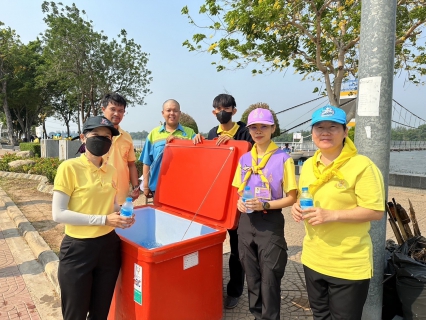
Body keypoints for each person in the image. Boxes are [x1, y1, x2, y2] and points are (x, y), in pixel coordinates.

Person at [290, 105, 385, 320]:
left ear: (345, 132)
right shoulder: (307, 165)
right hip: (313, 258)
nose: (325, 132)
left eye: (333, 127)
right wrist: (296, 206)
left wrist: (331, 215)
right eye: (319, 127)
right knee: (320, 316)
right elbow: (304, 197)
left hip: (348, 263)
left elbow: (375, 210)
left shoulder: (362, 166)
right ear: (312, 134)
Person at [52, 116, 135, 320]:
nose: (102, 140)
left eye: (107, 137)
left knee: (100, 312)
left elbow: (111, 205)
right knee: (75, 314)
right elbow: (58, 213)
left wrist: (122, 213)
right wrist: (105, 220)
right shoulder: (69, 168)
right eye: (96, 135)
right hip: (78, 249)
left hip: (109, 248)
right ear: (83, 137)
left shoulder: (112, 171)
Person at [232, 108, 297, 319]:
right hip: (246, 222)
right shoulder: (244, 160)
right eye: (254, 127)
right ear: (249, 130)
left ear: (273, 129)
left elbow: (291, 197)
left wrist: (266, 205)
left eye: (264, 127)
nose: (258, 131)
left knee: (270, 277)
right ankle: (257, 315)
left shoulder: (283, 159)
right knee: (251, 276)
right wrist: (240, 202)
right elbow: (238, 190)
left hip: (270, 222)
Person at [193, 93, 253, 309]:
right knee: (209, 245)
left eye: (226, 108)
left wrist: (234, 142)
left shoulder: (246, 133)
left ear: (234, 111)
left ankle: (235, 291)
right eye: (218, 109)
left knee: (237, 250)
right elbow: (205, 163)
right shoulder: (211, 133)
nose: (222, 112)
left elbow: (253, 158)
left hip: (238, 200)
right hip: (216, 200)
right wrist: (197, 143)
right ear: (214, 112)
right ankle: (207, 286)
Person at [140, 99, 196, 197]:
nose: (172, 113)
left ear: (179, 113)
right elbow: (146, 162)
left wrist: (180, 141)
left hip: (183, 187)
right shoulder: (153, 134)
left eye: (175, 110)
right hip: (158, 188)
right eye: (168, 110)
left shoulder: (190, 133)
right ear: (163, 113)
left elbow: (200, 154)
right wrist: (145, 186)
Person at [101, 93, 140, 204]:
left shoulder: (127, 137)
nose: (116, 113)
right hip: (99, 195)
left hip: (121, 196)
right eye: (113, 109)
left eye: (121, 110)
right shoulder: (95, 134)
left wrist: (136, 187)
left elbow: (131, 164)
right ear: (103, 109)